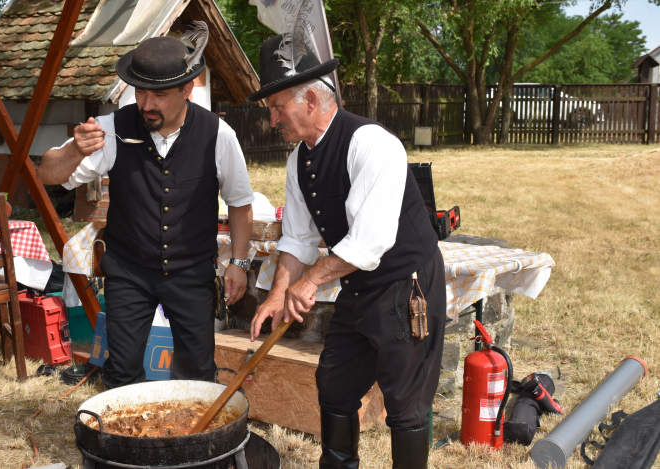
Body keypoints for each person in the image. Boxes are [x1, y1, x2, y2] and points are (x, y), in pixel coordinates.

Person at [248, 34, 445, 469]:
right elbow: (297, 238)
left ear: (313, 100)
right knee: (335, 383)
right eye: (270, 109)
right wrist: (280, 292)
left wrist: (313, 279)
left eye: (279, 107)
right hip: (358, 285)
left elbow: (371, 240)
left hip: (405, 283)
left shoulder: (373, 144)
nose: (273, 118)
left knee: (404, 401)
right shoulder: (298, 159)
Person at [37, 24, 254, 389]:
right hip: (129, 270)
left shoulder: (218, 134)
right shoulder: (112, 128)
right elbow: (48, 174)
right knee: (121, 370)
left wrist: (240, 262)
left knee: (197, 372)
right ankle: (125, 442)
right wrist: (75, 149)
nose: (147, 105)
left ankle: (190, 443)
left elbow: (240, 203)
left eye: (160, 95)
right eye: (140, 92)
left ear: (188, 89)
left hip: (191, 270)